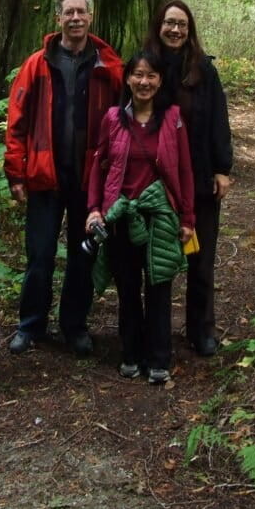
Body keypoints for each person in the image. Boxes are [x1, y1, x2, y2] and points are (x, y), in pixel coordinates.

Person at [4, 0, 123, 356]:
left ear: (90, 17)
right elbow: (17, 121)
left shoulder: (108, 65)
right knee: (39, 254)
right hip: (44, 176)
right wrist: (16, 172)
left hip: (89, 180)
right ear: (58, 18)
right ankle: (31, 326)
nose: (75, 18)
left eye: (81, 12)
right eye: (68, 12)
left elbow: (123, 122)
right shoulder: (37, 64)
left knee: (82, 254)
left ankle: (74, 325)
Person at [85, 50, 195, 384]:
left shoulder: (173, 118)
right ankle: (131, 353)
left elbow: (185, 171)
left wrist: (187, 219)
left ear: (160, 81)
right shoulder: (114, 118)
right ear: (128, 78)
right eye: (138, 75)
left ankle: (159, 357)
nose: (144, 82)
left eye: (151, 76)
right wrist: (94, 209)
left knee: (159, 287)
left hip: (159, 216)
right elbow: (98, 165)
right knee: (128, 288)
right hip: (120, 215)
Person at [144, 0, 233, 357]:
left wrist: (222, 168)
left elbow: (218, 120)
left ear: (190, 29)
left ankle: (201, 330)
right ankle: (155, 334)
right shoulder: (145, 65)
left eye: (182, 24)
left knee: (201, 259)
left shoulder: (204, 71)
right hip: (155, 183)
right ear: (159, 25)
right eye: (169, 23)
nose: (175, 30)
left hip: (198, 179)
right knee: (158, 260)